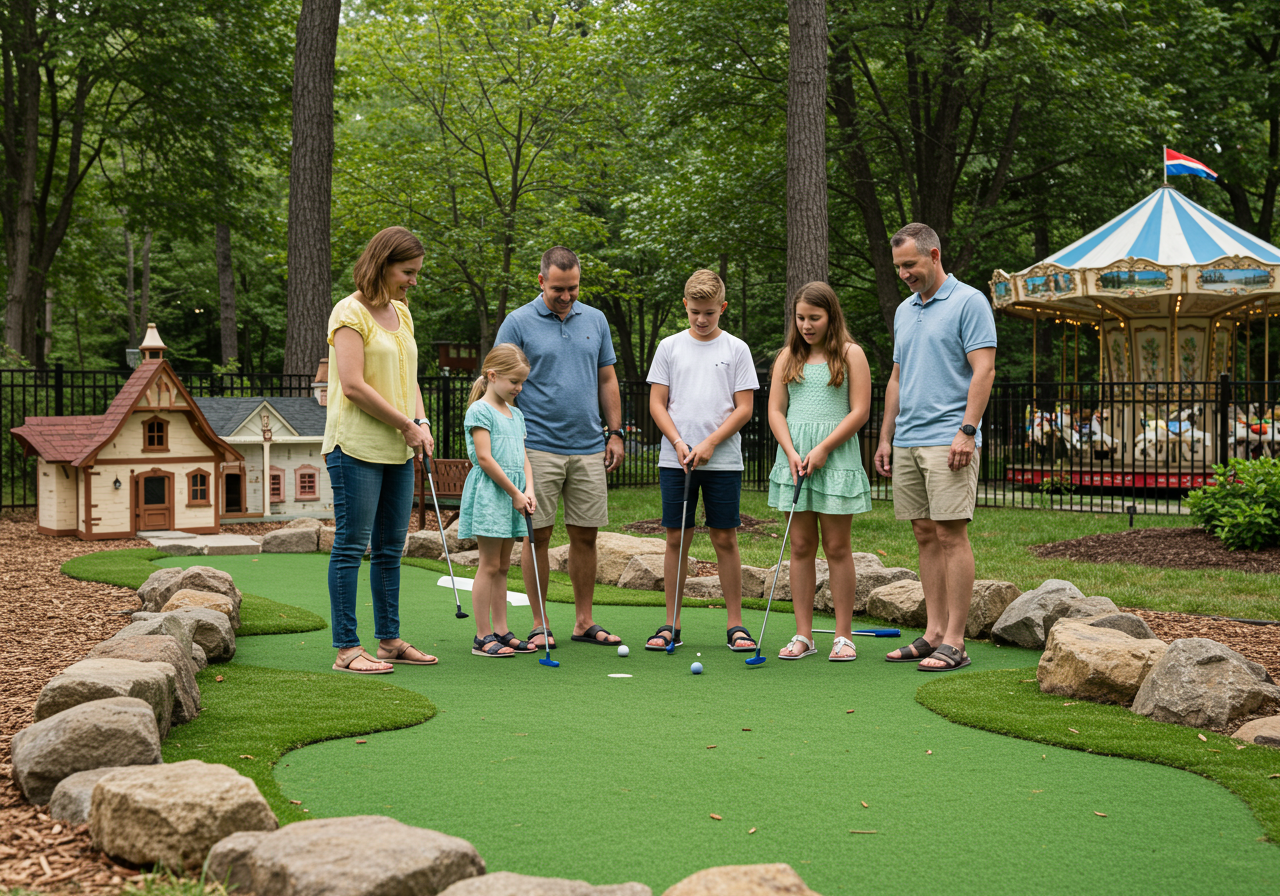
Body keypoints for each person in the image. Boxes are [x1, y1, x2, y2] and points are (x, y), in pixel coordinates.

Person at [874, 223, 996, 671]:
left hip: (949, 438)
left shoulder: (969, 301)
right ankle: (933, 633)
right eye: (898, 267)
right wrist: (886, 436)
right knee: (924, 534)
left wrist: (967, 430)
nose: (904, 273)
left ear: (934, 255)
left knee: (950, 534)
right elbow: (897, 377)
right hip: (908, 438)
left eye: (910, 264)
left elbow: (984, 370)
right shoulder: (905, 310)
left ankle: (956, 642)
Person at [493, 247, 625, 648]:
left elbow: (607, 378)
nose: (566, 296)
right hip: (536, 446)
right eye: (558, 289)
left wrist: (615, 432)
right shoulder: (517, 322)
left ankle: (584, 621)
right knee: (538, 535)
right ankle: (540, 623)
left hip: (588, 446)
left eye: (573, 288)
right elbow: (498, 382)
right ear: (541, 281)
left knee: (586, 535)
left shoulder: (596, 320)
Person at [324, 226, 438, 674]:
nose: (414, 280)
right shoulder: (348, 312)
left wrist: (421, 422)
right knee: (352, 546)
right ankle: (347, 648)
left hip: (398, 448)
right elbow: (353, 386)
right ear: (382, 264)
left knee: (391, 548)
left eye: (416, 272)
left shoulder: (402, 312)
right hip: (355, 446)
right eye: (407, 271)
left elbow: (409, 379)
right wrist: (406, 425)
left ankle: (388, 640)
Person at [643, 270, 759, 652]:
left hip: (723, 461)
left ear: (722, 307)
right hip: (675, 460)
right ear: (685, 306)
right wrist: (678, 442)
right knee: (677, 537)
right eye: (695, 312)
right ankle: (671, 624)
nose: (702, 319)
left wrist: (710, 443)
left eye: (709, 312)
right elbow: (657, 403)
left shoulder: (736, 349)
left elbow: (744, 408)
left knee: (725, 537)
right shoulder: (669, 347)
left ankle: (736, 625)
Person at [767, 281, 873, 661]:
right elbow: (775, 410)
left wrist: (824, 447)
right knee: (800, 546)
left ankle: (843, 636)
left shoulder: (850, 354)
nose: (806, 325)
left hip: (835, 456)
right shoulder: (787, 357)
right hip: (795, 458)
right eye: (800, 318)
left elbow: (860, 410)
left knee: (837, 547)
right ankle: (804, 634)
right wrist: (790, 451)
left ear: (831, 316)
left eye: (814, 318)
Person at [458, 345, 539, 657]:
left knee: (504, 566)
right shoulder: (480, 411)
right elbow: (485, 458)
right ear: (492, 376)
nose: (519, 388)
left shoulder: (515, 413)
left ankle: (502, 631)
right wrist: (514, 492)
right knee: (489, 564)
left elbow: (523, 456)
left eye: (522, 382)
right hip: (493, 494)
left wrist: (528, 489)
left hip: (514, 493)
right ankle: (482, 635)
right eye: (514, 381)